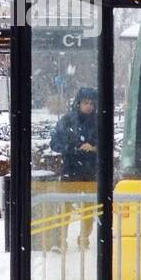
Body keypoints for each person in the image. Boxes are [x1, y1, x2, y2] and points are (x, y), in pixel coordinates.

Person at [47, 86, 98, 250]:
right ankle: (60, 240)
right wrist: (75, 148)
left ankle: (84, 238)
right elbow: (54, 143)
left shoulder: (98, 122)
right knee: (65, 206)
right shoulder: (67, 120)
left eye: (91, 103)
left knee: (89, 208)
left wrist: (95, 147)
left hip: (91, 171)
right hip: (70, 169)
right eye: (85, 103)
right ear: (78, 103)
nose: (89, 106)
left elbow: (108, 144)